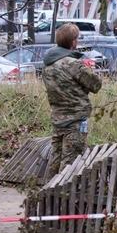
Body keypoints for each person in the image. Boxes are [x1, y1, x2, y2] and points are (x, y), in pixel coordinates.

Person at [43, 23, 103, 177]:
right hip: (74, 119)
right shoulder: (74, 64)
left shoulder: (48, 64)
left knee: (55, 161)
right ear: (73, 42)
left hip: (58, 117)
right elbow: (96, 84)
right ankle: (65, 197)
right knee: (71, 164)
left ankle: (47, 197)